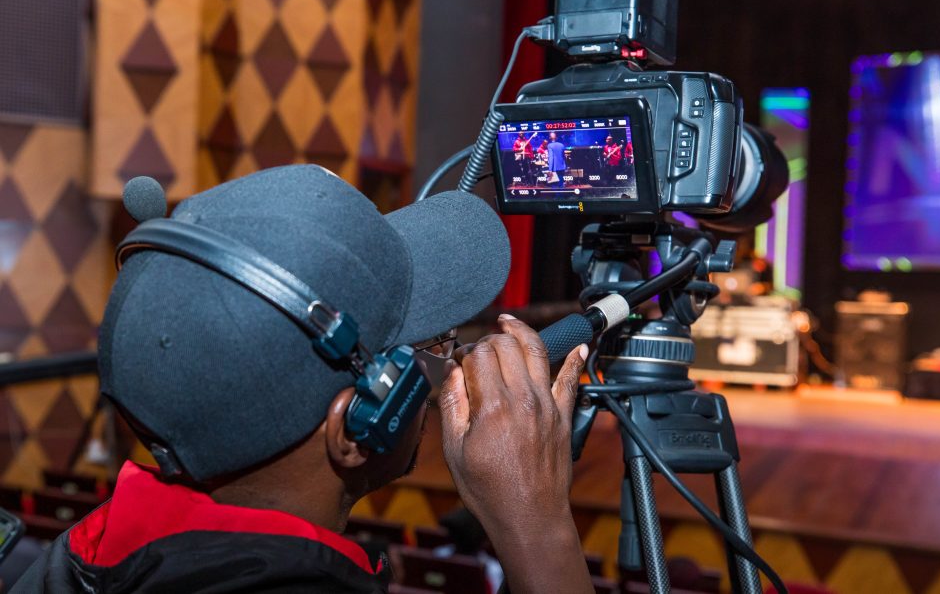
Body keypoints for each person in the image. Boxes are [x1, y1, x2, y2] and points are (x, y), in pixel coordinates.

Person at [14, 165, 594, 593]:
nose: (442, 359)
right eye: (422, 347)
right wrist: (538, 530)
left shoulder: (70, 561)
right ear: (357, 424)